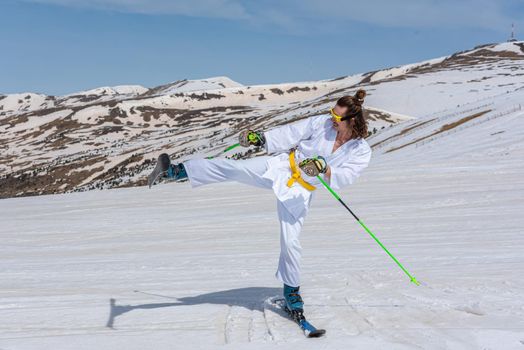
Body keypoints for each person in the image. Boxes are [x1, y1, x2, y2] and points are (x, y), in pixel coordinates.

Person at [156, 89, 372, 318]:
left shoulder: (361, 151)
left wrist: (325, 168)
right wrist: (262, 139)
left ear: (352, 120)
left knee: (291, 241)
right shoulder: (322, 123)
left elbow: (347, 176)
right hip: (281, 167)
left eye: (337, 117)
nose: (332, 119)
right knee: (233, 168)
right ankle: (176, 171)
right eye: (332, 113)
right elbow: (292, 132)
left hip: (299, 192)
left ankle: (292, 293)